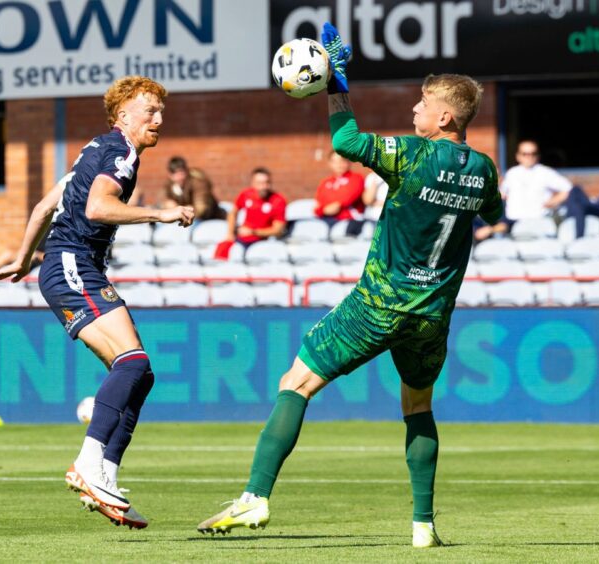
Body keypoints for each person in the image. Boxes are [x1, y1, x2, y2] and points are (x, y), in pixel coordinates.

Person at [197, 24, 503, 549]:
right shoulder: (484, 167)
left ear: (445, 117)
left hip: (380, 304)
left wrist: (338, 84)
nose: (414, 111)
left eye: (422, 104)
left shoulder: (412, 155)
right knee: (418, 408)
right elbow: (494, 211)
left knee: (295, 383)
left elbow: (344, 141)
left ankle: (255, 498)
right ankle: (423, 526)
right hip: (433, 315)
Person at [0, 76, 194, 530]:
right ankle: (88, 462)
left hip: (67, 266)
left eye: (161, 111)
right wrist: (159, 213)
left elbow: (45, 207)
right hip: (73, 264)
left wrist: (24, 260)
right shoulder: (118, 152)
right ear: (123, 114)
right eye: (149, 111)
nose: (158, 119)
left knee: (140, 374)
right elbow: (98, 209)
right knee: (133, 361)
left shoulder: (94, 149)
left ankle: (105, 474)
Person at [500, 140, 572, 224]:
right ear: (518, 156)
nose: (529, 156)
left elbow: (569, 189)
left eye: (533, 153)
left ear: (538, 155)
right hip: (513, 221)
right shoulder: (511, 173)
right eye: (525, 154)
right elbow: (503, 194)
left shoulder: (545, 172)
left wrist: (553, 201)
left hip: (539, 221)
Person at [222, 167, 287, 249]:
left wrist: (253, 232)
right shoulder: (246, 194)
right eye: (260, 183)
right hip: (241, 239)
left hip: (263, 241)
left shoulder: (278, 200)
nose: (264, 187)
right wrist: (230, 233)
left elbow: (278, 229)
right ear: (253, 183)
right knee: (223, 250)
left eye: (267, 183)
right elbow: (233, 213)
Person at [162, 156, 225, 220]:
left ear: (186, 171)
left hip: (211, 217)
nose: (180, 177)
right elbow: (163, 200)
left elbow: (201, 207)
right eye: (176, 174)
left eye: (182, 173)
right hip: (188, 221)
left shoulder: (198, 182)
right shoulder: (169, 185)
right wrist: (168, 205)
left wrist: (184, 210)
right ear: (170, 175)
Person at [314, 150, 365, 226]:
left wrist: (323, 209)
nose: (339, 164)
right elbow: (317, 205)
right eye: (335, 161)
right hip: (325, 219)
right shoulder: (325, 182)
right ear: (330, 164)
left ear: (349, 161)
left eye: (342, 160)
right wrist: (323, 210)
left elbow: (341, 202)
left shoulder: (357, 178)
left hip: (349, 221)